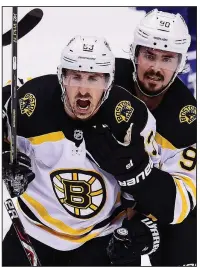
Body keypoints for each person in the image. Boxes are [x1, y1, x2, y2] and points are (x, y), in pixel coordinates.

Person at [2, 35, 161, 266]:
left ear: (108, 82)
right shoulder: (28, 104)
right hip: (32, 231)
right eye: (75, 77)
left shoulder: (132, 118)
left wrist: (144, 224)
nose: (83, 90)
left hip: (101, 237)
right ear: (61, 77)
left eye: (94, 78)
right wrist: (6, 156)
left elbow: (146, 188)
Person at [114, 9, 196, 266]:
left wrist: (148, 221)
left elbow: (182, 200)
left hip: (152, 208)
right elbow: (47, 99)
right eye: (149, 55)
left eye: (167, 59)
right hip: (100, 205)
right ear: (135, 54)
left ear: (180, 64)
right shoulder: (105, 77)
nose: (156, 68)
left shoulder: (186, 117)